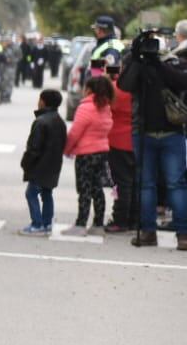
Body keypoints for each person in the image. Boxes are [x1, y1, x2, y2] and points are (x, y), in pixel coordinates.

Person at [117, 29, 187, 249]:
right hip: (143, 132)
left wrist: (157, 63)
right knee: (146, 185)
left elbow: (182, 82)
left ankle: (183, 234)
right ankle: (148, 232)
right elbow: (124, 85)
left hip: (171, 132)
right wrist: (137, 57)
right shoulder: (135, 63)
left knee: (175, 184)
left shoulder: (170, 62)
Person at [64, 74, 114, 233]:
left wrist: (67, 149)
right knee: (97, 188)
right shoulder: (105, 107)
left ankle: (80, 224)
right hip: (102, 152)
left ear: (89, 90)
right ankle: (98, 224)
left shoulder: (86, 107)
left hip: (86, 154)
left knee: (84, 189)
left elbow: (75, 132)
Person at [18, 90, 66, 237]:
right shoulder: (59, 120)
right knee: (47, 193)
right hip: (53, 165)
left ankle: (37, 224)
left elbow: (34, 148)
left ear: (43, 102)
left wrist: (26, 163)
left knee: (31, 193)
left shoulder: (41, 122)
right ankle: (47, 223)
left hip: (40, 166)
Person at [104, 57, 136, 234]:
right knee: (137, 182)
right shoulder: (142, 89)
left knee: (121, 183)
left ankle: (120, 219)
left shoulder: (117, 88)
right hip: (139, 141)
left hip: (118, 141)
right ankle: (134, 218)